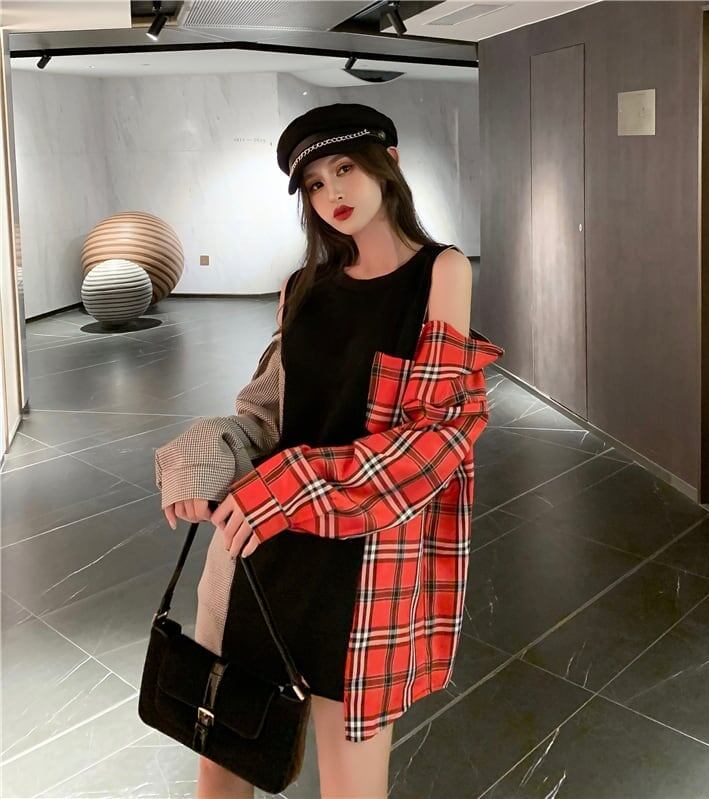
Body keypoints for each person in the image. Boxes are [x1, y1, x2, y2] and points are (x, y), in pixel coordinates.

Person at [157, 103, 503, 799]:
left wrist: (290, 483)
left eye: (344, 168)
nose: (332, 193)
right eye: (314, 183)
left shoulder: (441, 272)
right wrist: (200, 459)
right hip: (261, 552)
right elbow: (265, 416)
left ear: (389, 163)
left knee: (351, 786)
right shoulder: (302, 287)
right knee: (222, 766)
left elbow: (436, 437)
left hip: (364, 566)